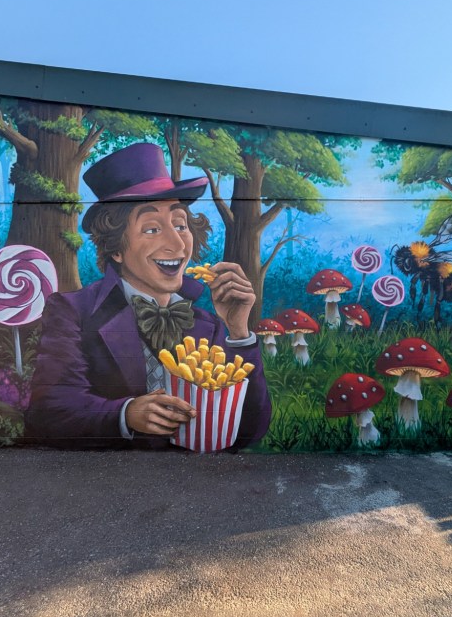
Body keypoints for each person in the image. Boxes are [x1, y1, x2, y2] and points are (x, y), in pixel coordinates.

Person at [25, 142, 271, 449]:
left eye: (180, 225)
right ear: (115, 248)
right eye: (152, 229)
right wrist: (125, 415)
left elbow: (251, 428)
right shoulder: (73, 311)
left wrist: (239, 332)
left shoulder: (211, 325)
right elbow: (48, 411)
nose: (177, 244)